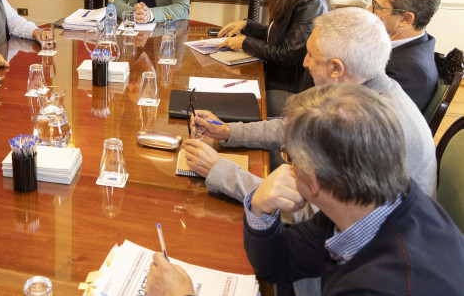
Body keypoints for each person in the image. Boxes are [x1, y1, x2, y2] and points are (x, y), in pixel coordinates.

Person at [147, 84, 464, 295]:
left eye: (289, 157)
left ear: (313, 181)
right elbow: (277, 265)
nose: (286, 165)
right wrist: (259, 208)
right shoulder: (366, 203)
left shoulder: (382, 285)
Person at [185, 7, 436, 202]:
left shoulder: (363, 127)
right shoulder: (365, 85)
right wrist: (229, 131)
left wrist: (219, 171)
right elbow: (296, 128)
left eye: (311, 55)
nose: (305, 63)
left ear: (336, 68)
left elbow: (303, 210)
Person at [217, 0, 331, 116]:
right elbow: (279, 34)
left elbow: (288, 55)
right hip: (276, 78)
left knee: (229, 99)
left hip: (292, 91)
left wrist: (245, 43)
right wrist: (246, 26)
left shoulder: (311, 3)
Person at [369, 0, 440, 111]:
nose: (369, 10)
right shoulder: (412, 45)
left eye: (377, 7)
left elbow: (367, 121)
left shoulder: (409, 71)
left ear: (406, 19)